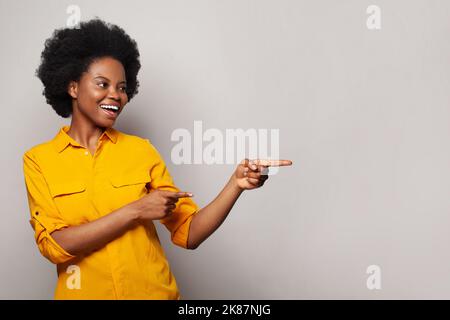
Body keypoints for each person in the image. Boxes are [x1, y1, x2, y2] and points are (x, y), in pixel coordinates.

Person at [23, 18, 292, 299]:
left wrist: (235, 184)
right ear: (73, 87)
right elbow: (54, 246)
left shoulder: (141, 151)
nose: (115, 95)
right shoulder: (39, 160)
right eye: (103, 84)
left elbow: (189, 233)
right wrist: (135, 210)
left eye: (123, 88)